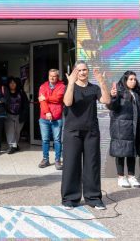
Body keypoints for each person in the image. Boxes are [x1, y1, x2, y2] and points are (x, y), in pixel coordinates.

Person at [61, 61, 111, 210]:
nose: (82, 72)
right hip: (72, 132)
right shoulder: (69, 87)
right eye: (79, 70)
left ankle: (94, 198)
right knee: (71, 165)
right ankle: (70, 198)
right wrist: (70, 83)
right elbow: (68, 102)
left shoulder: (94, 88)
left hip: (91, 131)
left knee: (92, 165)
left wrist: (102, 82)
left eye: (85, 70)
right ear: (75, 72)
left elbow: (107, 100)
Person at [107, 71, 140, 188]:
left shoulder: (137, 93)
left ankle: (131, 176)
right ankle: (121, 177)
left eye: (134, 79)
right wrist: (112, 97)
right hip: (120, 127)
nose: (133, 81)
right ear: (125, 80)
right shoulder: (119, 92)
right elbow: (112, 106)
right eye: (131, 79)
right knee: (121, 152)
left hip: (134, 126)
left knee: (132, 152)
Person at [38, 69, 66, 169]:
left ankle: (57, 160)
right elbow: (42, 102)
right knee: (45, 140)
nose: (52, 78)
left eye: (54, 76)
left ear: (57, 77)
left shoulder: (62, 86)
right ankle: (45, 159)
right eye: (50, 76)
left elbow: (58, 98)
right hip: (44, 117)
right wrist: (47, 112)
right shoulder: (43, 86)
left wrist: (45, 97)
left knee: (57, 140)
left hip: (57, 118)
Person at [4, 77, 29, 154]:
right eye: (11, 83)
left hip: (19, 115)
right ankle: (11, 146)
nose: (12, 84)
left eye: (14, 83)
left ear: (16, 84)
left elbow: (25, 104)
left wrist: (24, 113)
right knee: (10, 131)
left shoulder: (21, 92)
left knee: (17, 131)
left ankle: (15, 144)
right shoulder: (6, 92)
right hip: (8, 114)